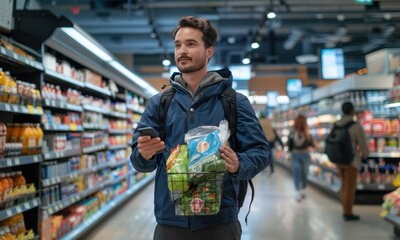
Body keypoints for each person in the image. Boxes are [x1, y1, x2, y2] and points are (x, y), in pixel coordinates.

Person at [130, 16, 270, 240]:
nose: (182, 50)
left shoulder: (234, 101)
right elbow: (138, 160)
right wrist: (144, 155)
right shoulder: (160, 103)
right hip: (170, 222)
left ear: (209, 51)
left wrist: (238, 164)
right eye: (178, 45)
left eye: (191, 44)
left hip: (219, 222)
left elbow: (261, 152)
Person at [334, 101, 369, 221]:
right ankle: (348, 212)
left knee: (344, 185)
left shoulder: (336, 124)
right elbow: (362, 143)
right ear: (352, 110)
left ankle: (344, 207)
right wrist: (365, 155)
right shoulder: (356, 126)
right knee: (350, 187)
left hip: (338, 160)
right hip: (351, 160)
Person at [288, 114, 314, 202]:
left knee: (300, 173)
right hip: (301, 154)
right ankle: (300, 191)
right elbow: (311, 144)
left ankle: (300, 191)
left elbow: (290, 144)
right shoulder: (297, 132)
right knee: (301, 173)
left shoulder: (304, 132)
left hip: (299, 154)